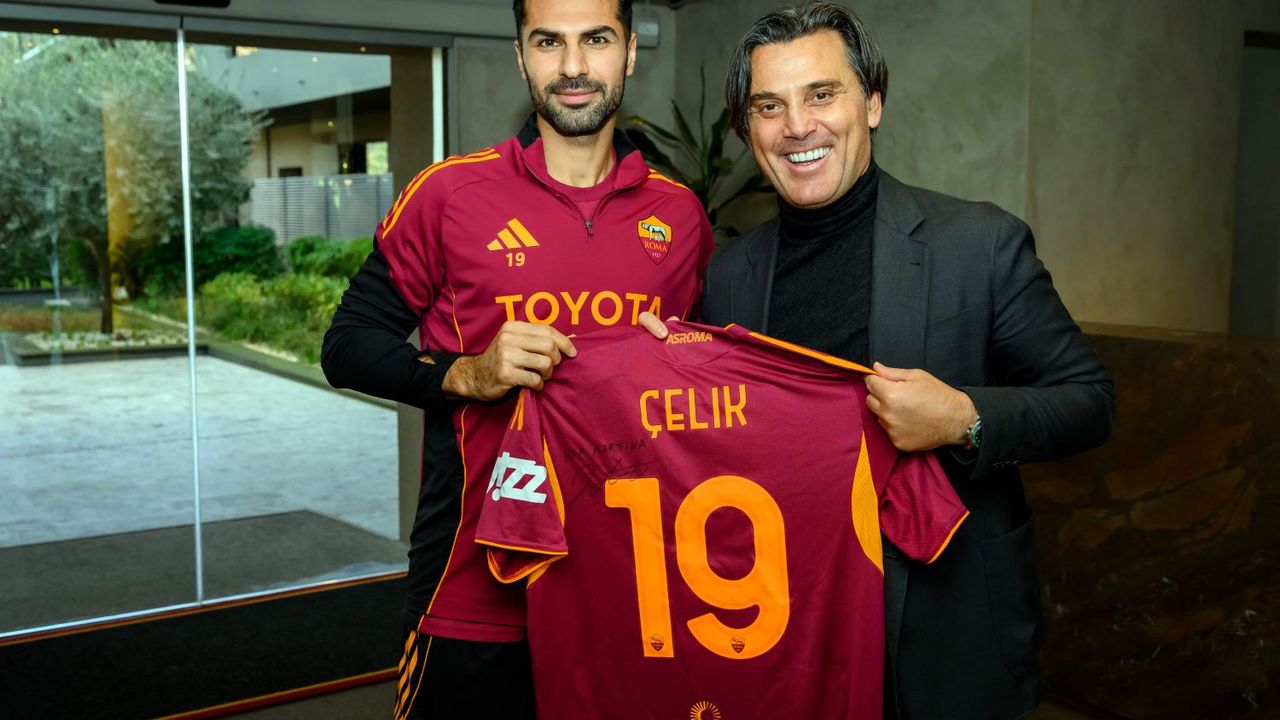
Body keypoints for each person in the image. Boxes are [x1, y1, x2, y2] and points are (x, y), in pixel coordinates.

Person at [642, 3, 1114, 718]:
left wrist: (964, 418)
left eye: (821, 94)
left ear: (873, 104)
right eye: (769, 106)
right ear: (747, 129)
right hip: (791, 622)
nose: (797, 125)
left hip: (945, 627)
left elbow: (1089, 400)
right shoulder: (733, 274)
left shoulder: (979, 243)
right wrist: (664, 372)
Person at [321, 0, 713, 716]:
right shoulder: (449, 194)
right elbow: (346, 346)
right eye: (548, 42)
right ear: (520, 55)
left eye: (597, 40)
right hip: (471, 594)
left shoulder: (681, 215)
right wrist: (466, 373)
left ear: (630, 52)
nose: (573, 66)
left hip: (627, 593)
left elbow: (709, 388)